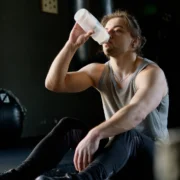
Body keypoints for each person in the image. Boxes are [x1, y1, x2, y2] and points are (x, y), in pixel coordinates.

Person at [0, 9, 169, 180]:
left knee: (128, 133)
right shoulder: (99, 71)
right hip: (118, 156)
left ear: (135, 42)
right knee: (69, 126)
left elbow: (136, 113)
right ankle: (17, 177)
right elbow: (54, 84)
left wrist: (95, 134)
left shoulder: (150, 73)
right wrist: (71, 45)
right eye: (106, 30)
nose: (109, 33)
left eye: (117, 30)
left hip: (156, 163)